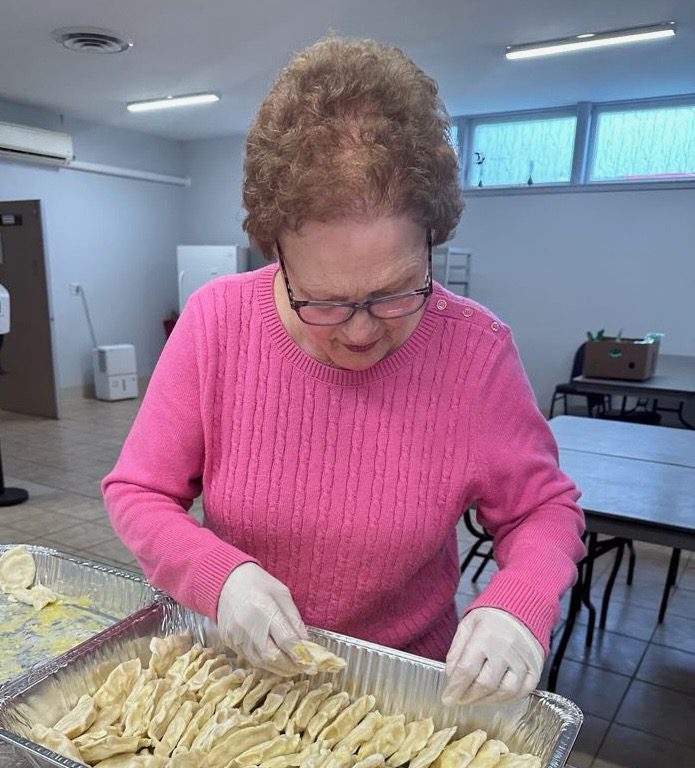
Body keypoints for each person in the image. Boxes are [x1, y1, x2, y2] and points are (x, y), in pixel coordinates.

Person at [102, 36, 585, 704]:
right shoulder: (216, 323)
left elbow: (542, 509)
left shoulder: (475, 352)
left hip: (402, 692)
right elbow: (137, 492)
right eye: (324, 301)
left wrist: (519, 599)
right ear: (275, 251)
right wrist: (220, 577)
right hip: (242, 678)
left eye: (395, 293)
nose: (360, 332)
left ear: (432, 241)